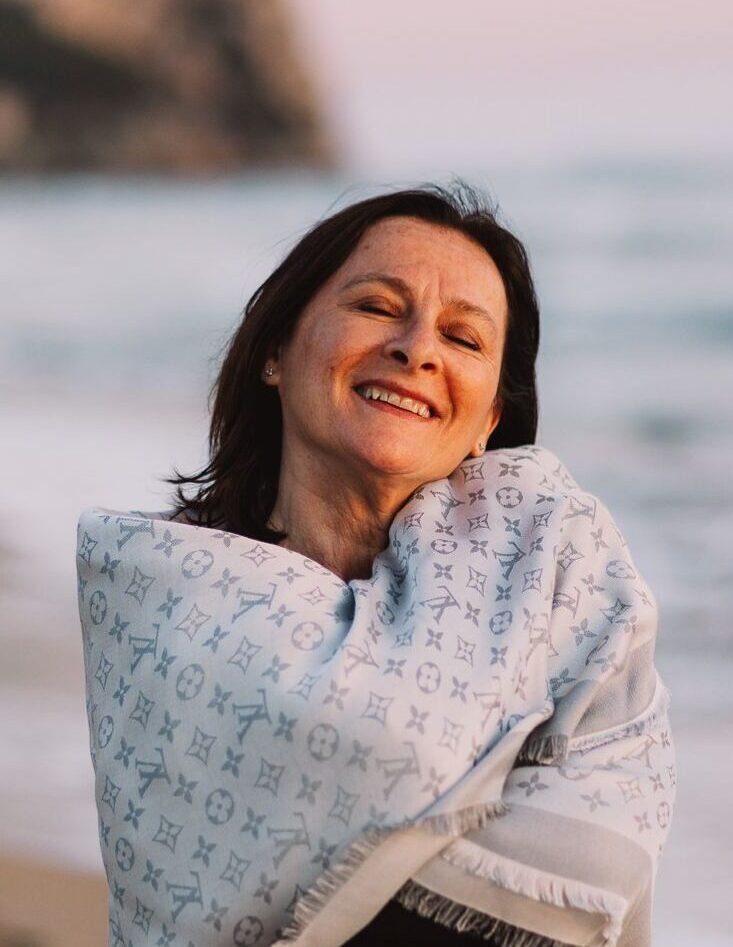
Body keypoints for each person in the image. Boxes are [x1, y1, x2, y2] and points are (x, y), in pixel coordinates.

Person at [76, 185, 674, 947]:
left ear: (488, 420)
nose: (417, 347)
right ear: (274, 349)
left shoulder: (566, 582)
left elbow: (604, 846)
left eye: (463, 338)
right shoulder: (163, 594)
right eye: (378, 306)